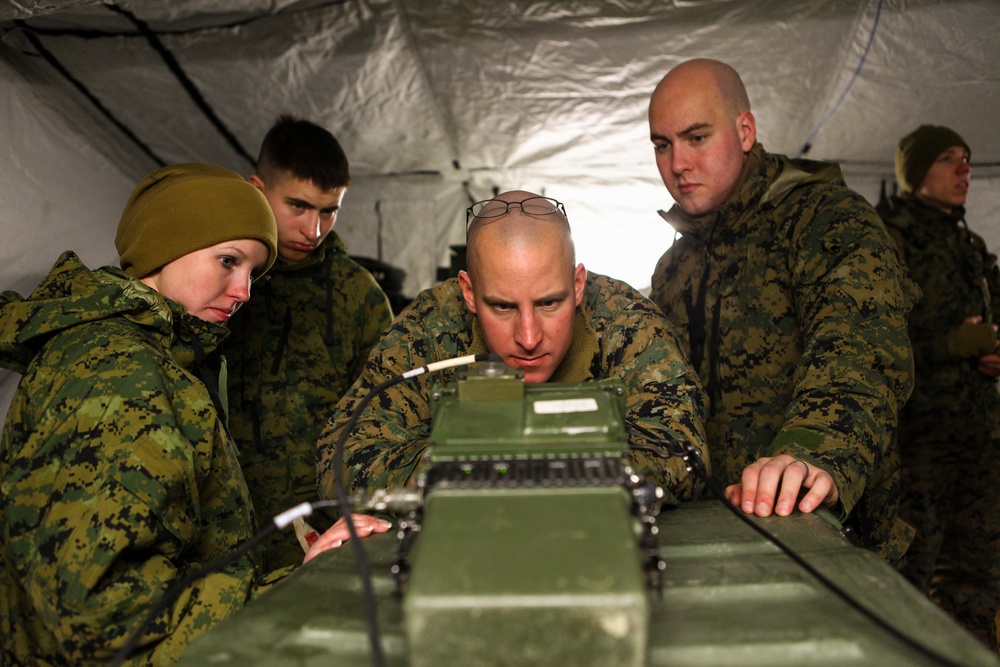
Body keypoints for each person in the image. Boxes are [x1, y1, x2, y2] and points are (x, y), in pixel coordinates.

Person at [0, 163, 389, 666]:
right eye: (228, 261)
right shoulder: (118, 375)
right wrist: (290, 589)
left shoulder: (151, 353)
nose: (244, 290)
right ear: (166, 245)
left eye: (252, 271)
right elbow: (107, 619)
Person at [647, 58, 917, 561]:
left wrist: (811, 451)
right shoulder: (673, 267)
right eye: (662, 145)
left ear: (744, 130)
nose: (677, 163)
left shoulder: (824, 220)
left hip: (828, 542)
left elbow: (862, 349)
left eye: (697, 138)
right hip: (714, 540)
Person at [316, 190, 709, 501]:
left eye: (549, 303)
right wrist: (472, 467)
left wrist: (514, 464)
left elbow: (684, 455)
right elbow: (342, 457)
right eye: (502, 306)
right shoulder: (429, 329)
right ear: (469, 293)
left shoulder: (627, 322)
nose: (528, 337)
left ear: (577, 286)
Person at [226, 115, 393, 569]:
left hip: (320, 526)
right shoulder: (219, 279)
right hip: (225, 522)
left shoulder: (357, 295)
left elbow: (386, 416)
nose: (314, 229)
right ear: (257, 189)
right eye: (298, 206)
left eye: (328, 210)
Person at [876, 125, 1000, 647]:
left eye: (967, 158)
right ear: (916, 171)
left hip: (978, 437)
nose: (964, 169)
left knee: (977, 577)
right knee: (907, 579)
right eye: (949, 158)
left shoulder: (969, 243)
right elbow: (877, 348)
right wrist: (956, 344)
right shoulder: (889, 238)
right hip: (918, 444)